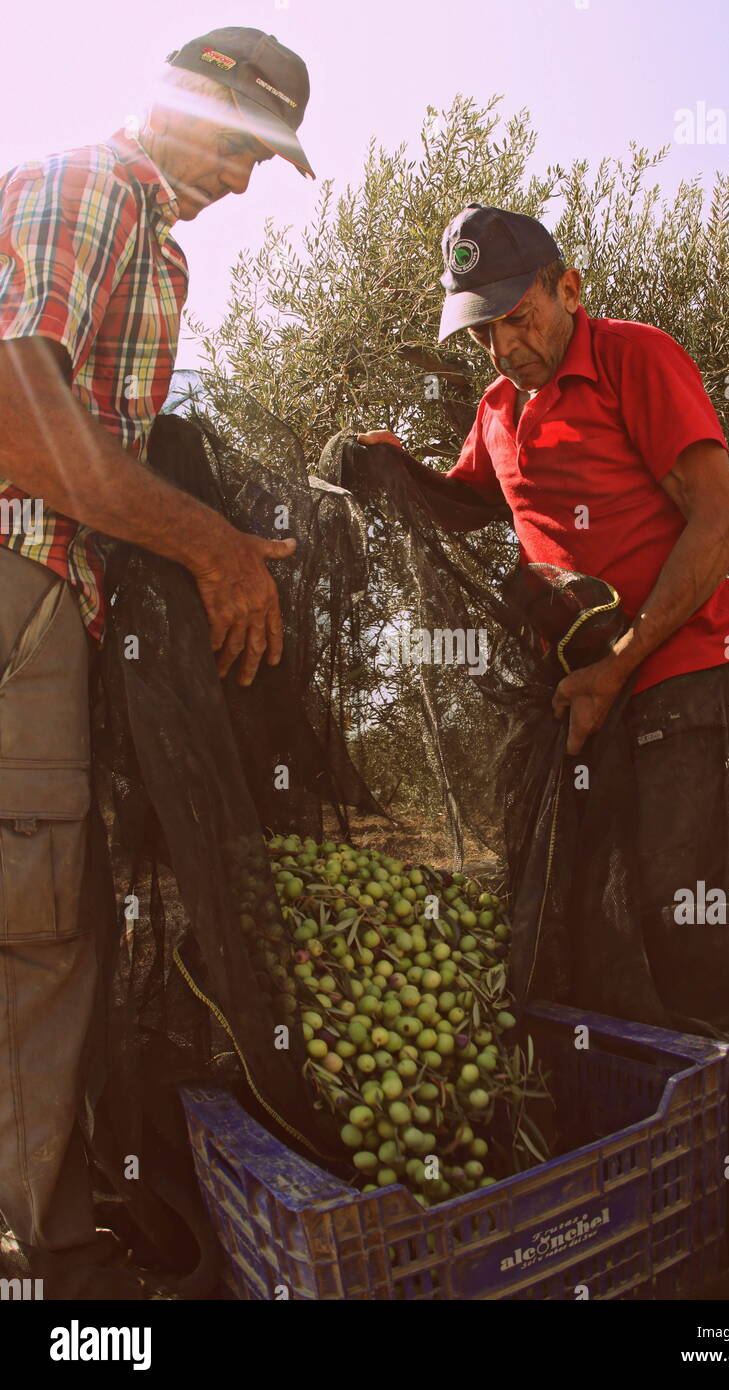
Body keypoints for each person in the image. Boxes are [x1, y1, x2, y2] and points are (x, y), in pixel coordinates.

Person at [0, 26, 314, 1299]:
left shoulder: (149, 234)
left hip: (44, 603)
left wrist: (216, 538)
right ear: (182, 102)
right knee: (38, 929)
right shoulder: (95, 189)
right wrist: (210, 548)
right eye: (242, 144)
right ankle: (46, 1265)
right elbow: (23, 423)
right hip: (19, 585)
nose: (243, 179)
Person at [359, 202, 729, 964]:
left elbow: (723, 526)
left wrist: (619, 665)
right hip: (582, 691)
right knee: (589, 907)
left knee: (683, 908)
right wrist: (396, 469)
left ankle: (722, 1072)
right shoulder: (498, 410)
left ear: (568, 288)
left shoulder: (633, 359)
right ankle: (621, 1070)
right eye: (484, 331)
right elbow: (467, 502)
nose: (506, 346)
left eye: (519, 317)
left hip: (678, 675)